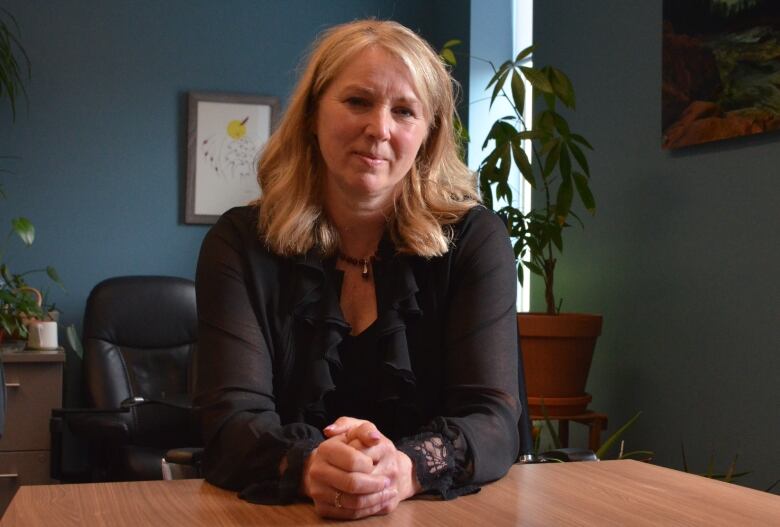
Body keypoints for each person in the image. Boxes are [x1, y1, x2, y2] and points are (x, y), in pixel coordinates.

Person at [194, 19, 521, 520]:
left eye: (405, 110)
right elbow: (229, 422)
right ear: (311, 115)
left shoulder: (475, 241)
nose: (380, 128)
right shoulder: (239, 244)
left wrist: (405, 469)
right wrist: (309, 465)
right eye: (357, 101)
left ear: (428, 135)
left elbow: (494, 420)